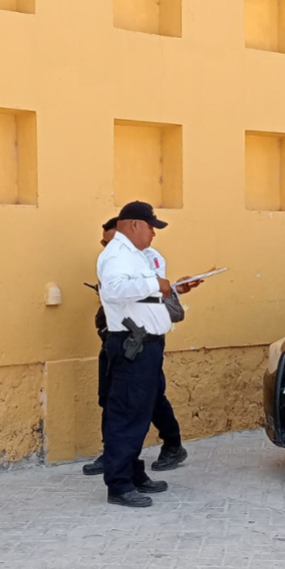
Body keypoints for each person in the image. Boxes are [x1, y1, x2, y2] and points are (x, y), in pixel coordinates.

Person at [83, 216, 193, 475]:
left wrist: (173, 287)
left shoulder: (149, 257)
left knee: (148, 399)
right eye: (105, 241)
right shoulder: (115, 257)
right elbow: (121, 292)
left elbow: (152, 295)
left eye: (110, 239)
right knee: (113, 400)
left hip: (142, 339)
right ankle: (117, 460)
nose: (108, 245)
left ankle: (168, 445)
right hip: (118, 336)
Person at [96, 201, 184, 507]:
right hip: (133, 345)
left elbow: (142, 295)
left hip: (147, 345)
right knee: (127, 414)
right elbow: (114, 290)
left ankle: (133, 474)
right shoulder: (117, 255)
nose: (153, 235)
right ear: (134, 224)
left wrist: (169, 288)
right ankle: (119, 484)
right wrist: (155, 284)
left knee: (140, 413)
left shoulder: (134, 255)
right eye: (151, 227)